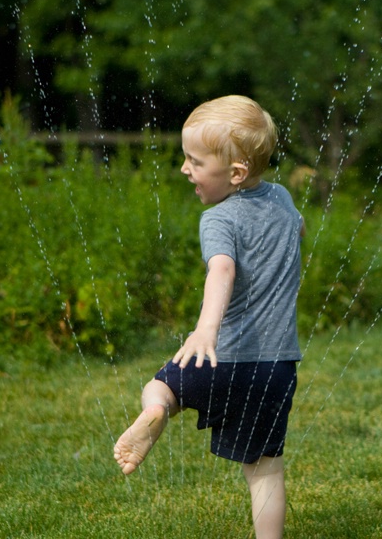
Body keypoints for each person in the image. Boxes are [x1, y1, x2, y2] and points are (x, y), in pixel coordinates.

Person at [114, 95, 304, 539]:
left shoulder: (217, 219)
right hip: (274, 367)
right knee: (264, 470)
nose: (185, 169)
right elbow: (297, 229)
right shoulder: (281, 197)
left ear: (235, 173)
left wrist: (205, 330)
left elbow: (222, 269)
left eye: (195, 161)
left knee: (159, 386)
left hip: (218, 357)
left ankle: (157, 413)